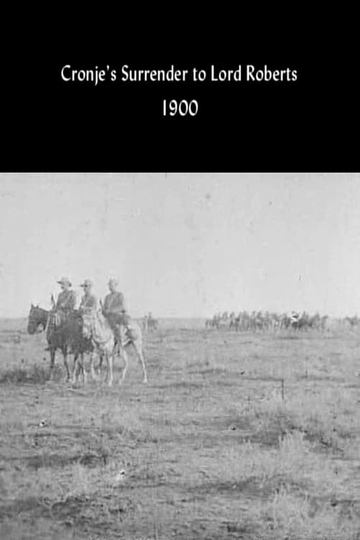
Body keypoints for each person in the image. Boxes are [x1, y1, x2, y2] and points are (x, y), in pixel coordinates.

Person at [102, 279, 131, 345]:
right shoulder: (107, 297)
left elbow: (122, 306)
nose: (110, 287)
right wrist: (103, 310)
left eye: (111, 285)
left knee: (119, 330)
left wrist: (111, 310)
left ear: (115, 286)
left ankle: (121, 342)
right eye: (109, 285)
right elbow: (105, 307)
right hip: (108, 318)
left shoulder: (120, 295)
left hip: (118, 317)